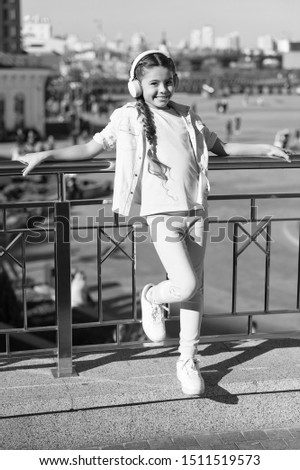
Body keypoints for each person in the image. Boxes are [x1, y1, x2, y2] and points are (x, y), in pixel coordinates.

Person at [15, 50, 292, 396]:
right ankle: (152, 295)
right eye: (153, 83)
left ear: (175, 82)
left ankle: (187, 360)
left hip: (196, 213)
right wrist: (47, 155)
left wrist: (264, 148)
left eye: (168, 82)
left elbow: (220, 148)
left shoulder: (188, 116)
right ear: (137, 86)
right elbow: (90, 148)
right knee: (186, 284)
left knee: (196, 292)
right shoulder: (128, 116)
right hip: (161, 216)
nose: (162, 89)